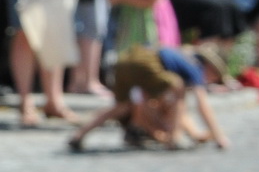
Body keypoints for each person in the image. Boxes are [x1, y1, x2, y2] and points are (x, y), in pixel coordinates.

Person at [67, 45, 230, 152]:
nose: (212, 80)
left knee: (122, 106)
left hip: (125, 60)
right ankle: (174, 139)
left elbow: (181, 113)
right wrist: (219, 137)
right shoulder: (195, 68)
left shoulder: (180, 58)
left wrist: (196, 134)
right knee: (179, 89)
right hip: (146, 62)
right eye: (215, 77)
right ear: (210, 67)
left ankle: (79, 135)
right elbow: (202, 105)